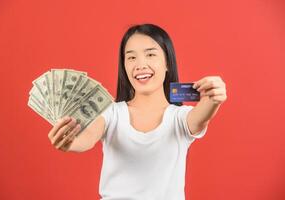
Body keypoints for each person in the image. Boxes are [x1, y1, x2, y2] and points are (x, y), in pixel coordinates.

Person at [47, 24, 227, 200]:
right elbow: (88, 137)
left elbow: (202, 116)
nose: (140, 64)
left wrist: (214, 97)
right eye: (131, 58)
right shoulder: (111, 113)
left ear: (167, 63)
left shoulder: (179, 118)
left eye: (150, 54)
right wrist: (69, 142)